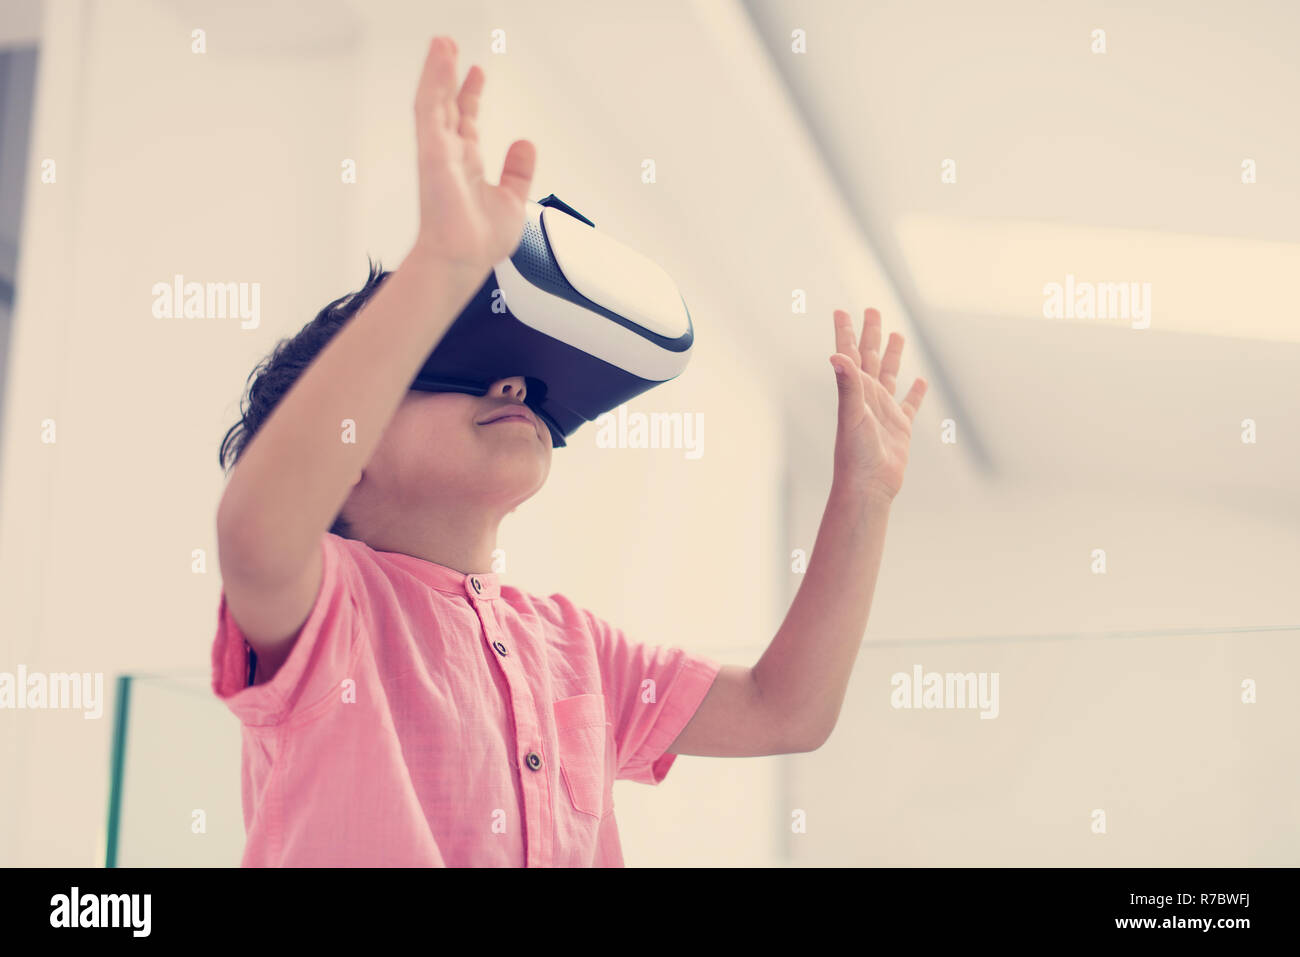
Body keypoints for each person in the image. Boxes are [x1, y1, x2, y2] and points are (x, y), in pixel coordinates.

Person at [210, 35, 928, 866]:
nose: (513, 387)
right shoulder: (331, 611)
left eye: (519, 379)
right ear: (348, 447)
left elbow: (784, 709)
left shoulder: (575, 647)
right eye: (462, 369)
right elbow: (258, 536)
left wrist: (863, 494)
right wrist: (438, 271)